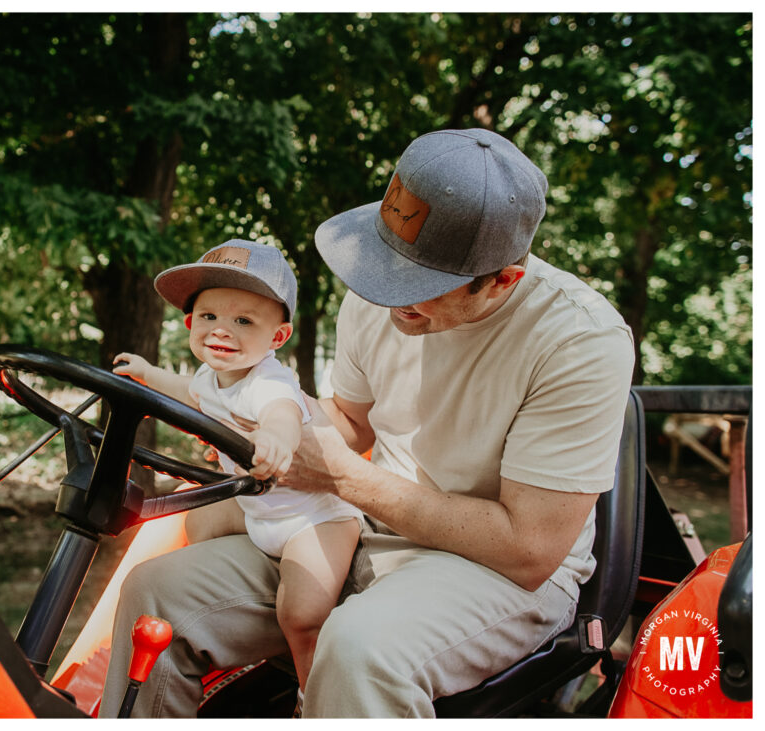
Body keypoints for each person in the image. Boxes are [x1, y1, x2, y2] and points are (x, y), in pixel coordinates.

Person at [98, 128, 635, 718]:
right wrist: (264, 439)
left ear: (504, 279)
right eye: (387, 265)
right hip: (361, 528)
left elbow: (528, 549)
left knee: (359, 650)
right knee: (156, 592)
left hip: (497, 572)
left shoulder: (579, 341)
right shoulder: (379, 297)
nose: (390, 295)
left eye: (420, 284)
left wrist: (341, 478)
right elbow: (348, 423)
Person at [111, 239, 362, 706]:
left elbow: (283, 414)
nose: (222, 330)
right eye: (209, 317)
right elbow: (188, 391)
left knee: (301, 612)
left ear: (277, 338)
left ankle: (314, 697)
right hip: (258, 509)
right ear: (190, 323)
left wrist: (275, 440)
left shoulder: (267, 381)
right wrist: (146, 373)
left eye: (244, 321)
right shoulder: (212, 376)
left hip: (313, 520)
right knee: (192, 522)